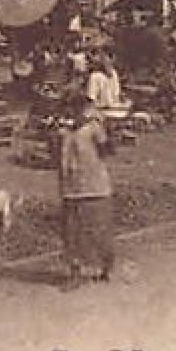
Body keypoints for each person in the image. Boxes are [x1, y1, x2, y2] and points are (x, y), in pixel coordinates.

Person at [55, 91, 114, 288]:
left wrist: (104, 130)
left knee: (97, 230)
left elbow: (108, 151)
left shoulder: (93, 130)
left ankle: (105, 267)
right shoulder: (63, 133)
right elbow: (57, 157)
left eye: (77, 109)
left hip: (95, 187)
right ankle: (75, 271)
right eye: (68, 110)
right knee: (72, 232)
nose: (72, 114)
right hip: (71, 188)